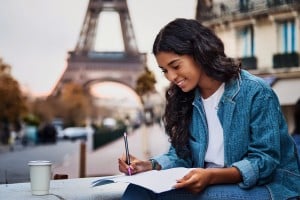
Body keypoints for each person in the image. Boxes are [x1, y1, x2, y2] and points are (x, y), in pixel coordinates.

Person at [118, 18, 300, 200]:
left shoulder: (256, 92)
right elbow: (182, 156)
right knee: (137, 189)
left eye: (175, 66)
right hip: (212, 181)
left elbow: (264, 161)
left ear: (199, 53)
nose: (171, 77)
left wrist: (211, 176)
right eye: (164, 70)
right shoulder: (185, 99)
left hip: (271, 187)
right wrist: (149, 165)